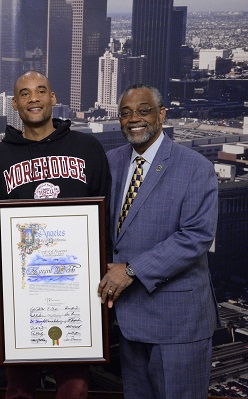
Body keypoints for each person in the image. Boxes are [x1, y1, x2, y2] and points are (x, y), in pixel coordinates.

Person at [0, 71, 111, 399]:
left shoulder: (88, 147)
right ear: (15, 104)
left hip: (76, 288)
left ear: (53, 98)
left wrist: (105, 266)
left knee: (75, 387)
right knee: (19, 387)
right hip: (23, 289)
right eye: (25, 93)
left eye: (41, 91)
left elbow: (104, 216)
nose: (34, 98)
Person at [97, 83, 219, 399]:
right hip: (128, 320)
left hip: (178, 321)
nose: (134, 118)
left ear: (162, 115)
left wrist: (133, 270)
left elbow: (196, 237)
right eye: (125, 113)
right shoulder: (110, 162)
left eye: (143, 110)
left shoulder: (196, 167)